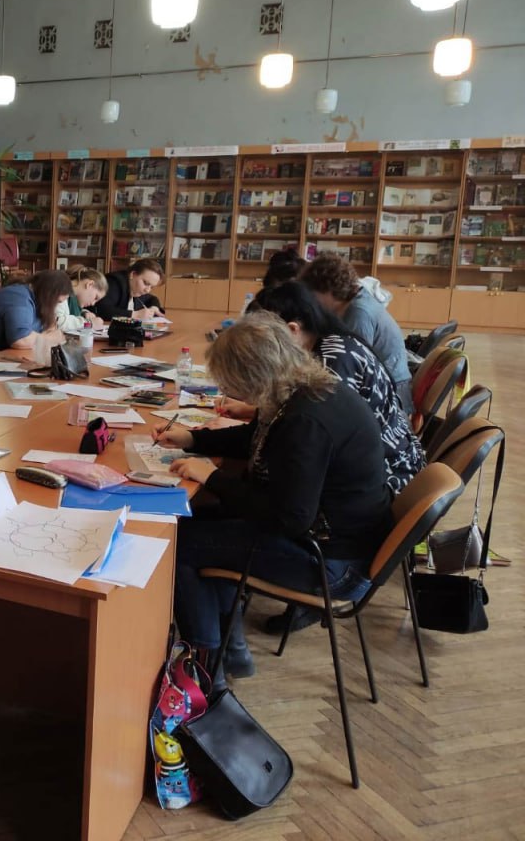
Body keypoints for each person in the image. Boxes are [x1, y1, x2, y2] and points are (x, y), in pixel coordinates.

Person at [154, 313, 391, 682]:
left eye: (232, 383)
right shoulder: (306, 392)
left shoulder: (305, 421)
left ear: (254, 377)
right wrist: (193, 439)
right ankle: (230, 650)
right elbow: (259, 440)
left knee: (180, 543)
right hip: (333, 540)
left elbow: (289, 517)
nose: (230, 391)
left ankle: (206, 671)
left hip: (331, 564)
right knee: (201, 525)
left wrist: (213, 476)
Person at [249, 282, 427, 637]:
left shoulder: (332, 359)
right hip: (378, 471)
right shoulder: (331, 342)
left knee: (260, 492)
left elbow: (313, 432)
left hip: (385, 476)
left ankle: (294, 592)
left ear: (292, 330)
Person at [300, 254, 413, 413]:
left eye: (313, 295)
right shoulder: (356, 300)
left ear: (328, 290)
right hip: (390, 384)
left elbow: (352, 365)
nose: (312, 302)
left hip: (393, 394)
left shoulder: (358, 313)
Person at [0, 269, 73, 351]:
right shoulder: (19, 298)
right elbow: (20, 340)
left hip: (3, 353)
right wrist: (50, 338)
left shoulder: (37, 299)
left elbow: (48, 329)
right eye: (57, 302)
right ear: (48, 295)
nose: (55, 306)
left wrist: (47, 334)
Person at [92, 258, 165, 321]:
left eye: (151, 287)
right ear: (132, 274)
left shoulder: (137, 288)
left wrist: (154, 307)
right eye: (146, 283)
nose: (147, 290)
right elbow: (102, 309)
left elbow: (152, 298)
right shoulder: (114, 282)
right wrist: (135, 314)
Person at [55, 265, 109, 335]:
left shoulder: (73, 296)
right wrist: (89, 324)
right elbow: (58, 323)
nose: (93, 304)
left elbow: (70, 312)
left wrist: (84, 313)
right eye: (95, 297)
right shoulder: (60, 289)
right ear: (90, 284)